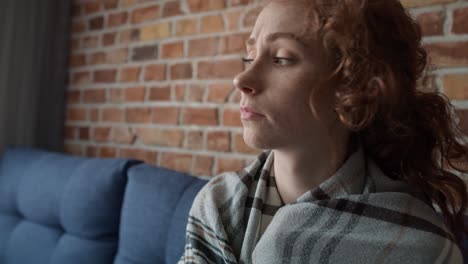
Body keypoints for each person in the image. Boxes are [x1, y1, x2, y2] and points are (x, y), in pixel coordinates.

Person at [178, 0, 468, 263]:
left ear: (353, 88)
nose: (242, 79)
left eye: (281, 58)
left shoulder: (422, 249)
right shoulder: (217, 206)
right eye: (249, 56)